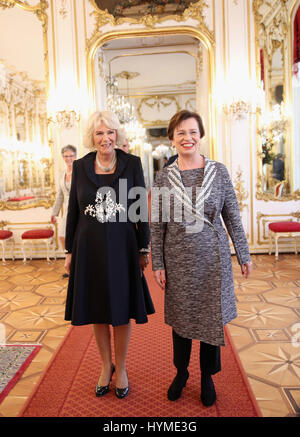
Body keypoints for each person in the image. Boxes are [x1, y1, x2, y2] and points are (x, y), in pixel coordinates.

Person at [151, 110, 252, 407]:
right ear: (172, 139)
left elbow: (232, 215)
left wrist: (243, 253)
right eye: (180, 132)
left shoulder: (218, 171)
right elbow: (157, 224)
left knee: (211, 320)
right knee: (181, 321)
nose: (187, 137)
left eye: (193, 131)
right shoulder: (164, 177)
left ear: (201, 135)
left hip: (212, 259)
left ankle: (207, 376)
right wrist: (158, 262)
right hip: (178, 258)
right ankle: (181, 373)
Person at [64, 110, 154, 399]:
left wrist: (143, 247)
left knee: (120, 309)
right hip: (88, 247)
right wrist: (69, 251)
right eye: (100, 133)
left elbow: (139, 209)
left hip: (122, 247)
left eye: (110, 132)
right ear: (92, 137)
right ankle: (106, 365)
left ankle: (123, 367)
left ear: (118, 135)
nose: (106, 138)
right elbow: (73, 211)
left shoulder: (132, 164)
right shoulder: (80, 166)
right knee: (96, 308)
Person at [51, 145, 77, 278]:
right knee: (62, 236)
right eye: (66, 156)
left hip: (78, 209)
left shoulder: (80, 171)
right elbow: (60, 195)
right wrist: (54, 212)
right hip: (66, 210)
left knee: (77, 238)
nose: (69, 158)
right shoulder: (61, 174)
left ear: (75, 156)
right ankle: (69, 263)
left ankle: (77, 266)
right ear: (63, 157)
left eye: (71, 155)